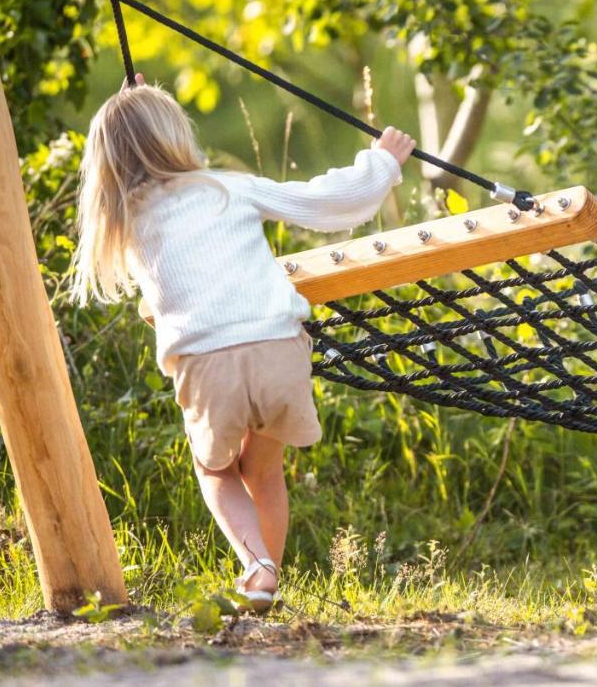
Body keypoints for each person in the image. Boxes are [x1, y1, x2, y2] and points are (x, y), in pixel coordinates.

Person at [70, 76, 415, 612]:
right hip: (278, 348)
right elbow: (331, 204)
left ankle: (258, 567)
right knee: (263, 469)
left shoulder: (124, 217)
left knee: (216, 471)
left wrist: (129, 115)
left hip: (208, 366)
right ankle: (265, 583)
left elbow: (134, 161)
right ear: (177, 136)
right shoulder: (226, 187)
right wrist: (382, 164)